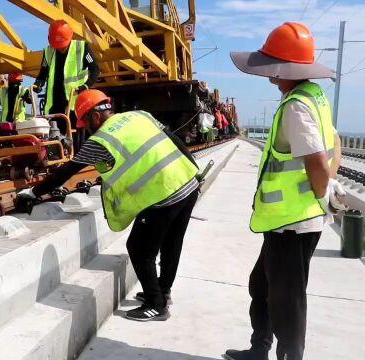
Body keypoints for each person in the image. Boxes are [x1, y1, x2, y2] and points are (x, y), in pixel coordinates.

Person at [18, 89, 201, 321]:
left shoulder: (100, 141)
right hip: (187, 184)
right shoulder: (140, 116)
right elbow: (174, 140)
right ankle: (163, 292)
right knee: (172, 242)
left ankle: (157, 305)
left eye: (85, 122)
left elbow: (65, 173)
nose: (86, 128)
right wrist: (195, 171)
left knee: (138, 248)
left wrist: (33, 192)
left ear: (95, 117)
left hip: (164, 194)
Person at [224, 22, 345, 360]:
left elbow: (319, 165)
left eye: (273, 67)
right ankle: (259, 350)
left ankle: (288, 356)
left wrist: (322, 189)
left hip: (294, 223)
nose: (270, 75)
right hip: (287, 220)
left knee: (287, 304)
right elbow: (335, 142)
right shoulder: (314, 96)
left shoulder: (296, 107)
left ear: (285, 68)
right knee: (261, 288)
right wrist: (326, 188)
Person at [33, 20, 100, 146]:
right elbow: (42, 74)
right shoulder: (48, 52)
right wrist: (38, 85)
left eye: (63, 45)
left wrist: (85, 86)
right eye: (57, 46)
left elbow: (95, 70)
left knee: (77, 139)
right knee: (55, 136)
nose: (60, 48)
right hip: (54, 104)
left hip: (75, 103)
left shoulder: (81, 48)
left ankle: (77, 159)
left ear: (70, 38)